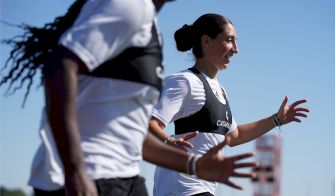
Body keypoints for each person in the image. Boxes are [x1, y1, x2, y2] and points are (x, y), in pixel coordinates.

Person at [0, 1, 258, 196]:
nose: (236, 49)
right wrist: (75, 170)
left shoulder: (148, 25)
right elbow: (58, 68)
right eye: (230, 41)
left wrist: (195, 165)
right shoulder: (130, 8)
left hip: (126, 177)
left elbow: (132, 133)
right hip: (88, 176)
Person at [149, 13, 310, 196]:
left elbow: (234, 136)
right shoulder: (185, 82)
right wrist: (168, 140)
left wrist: (277, 119)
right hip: (183, 188)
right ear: (206, 42)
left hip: (202, 188)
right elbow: (150, 123)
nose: (236, 49)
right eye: (229, 41)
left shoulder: (220, 90)